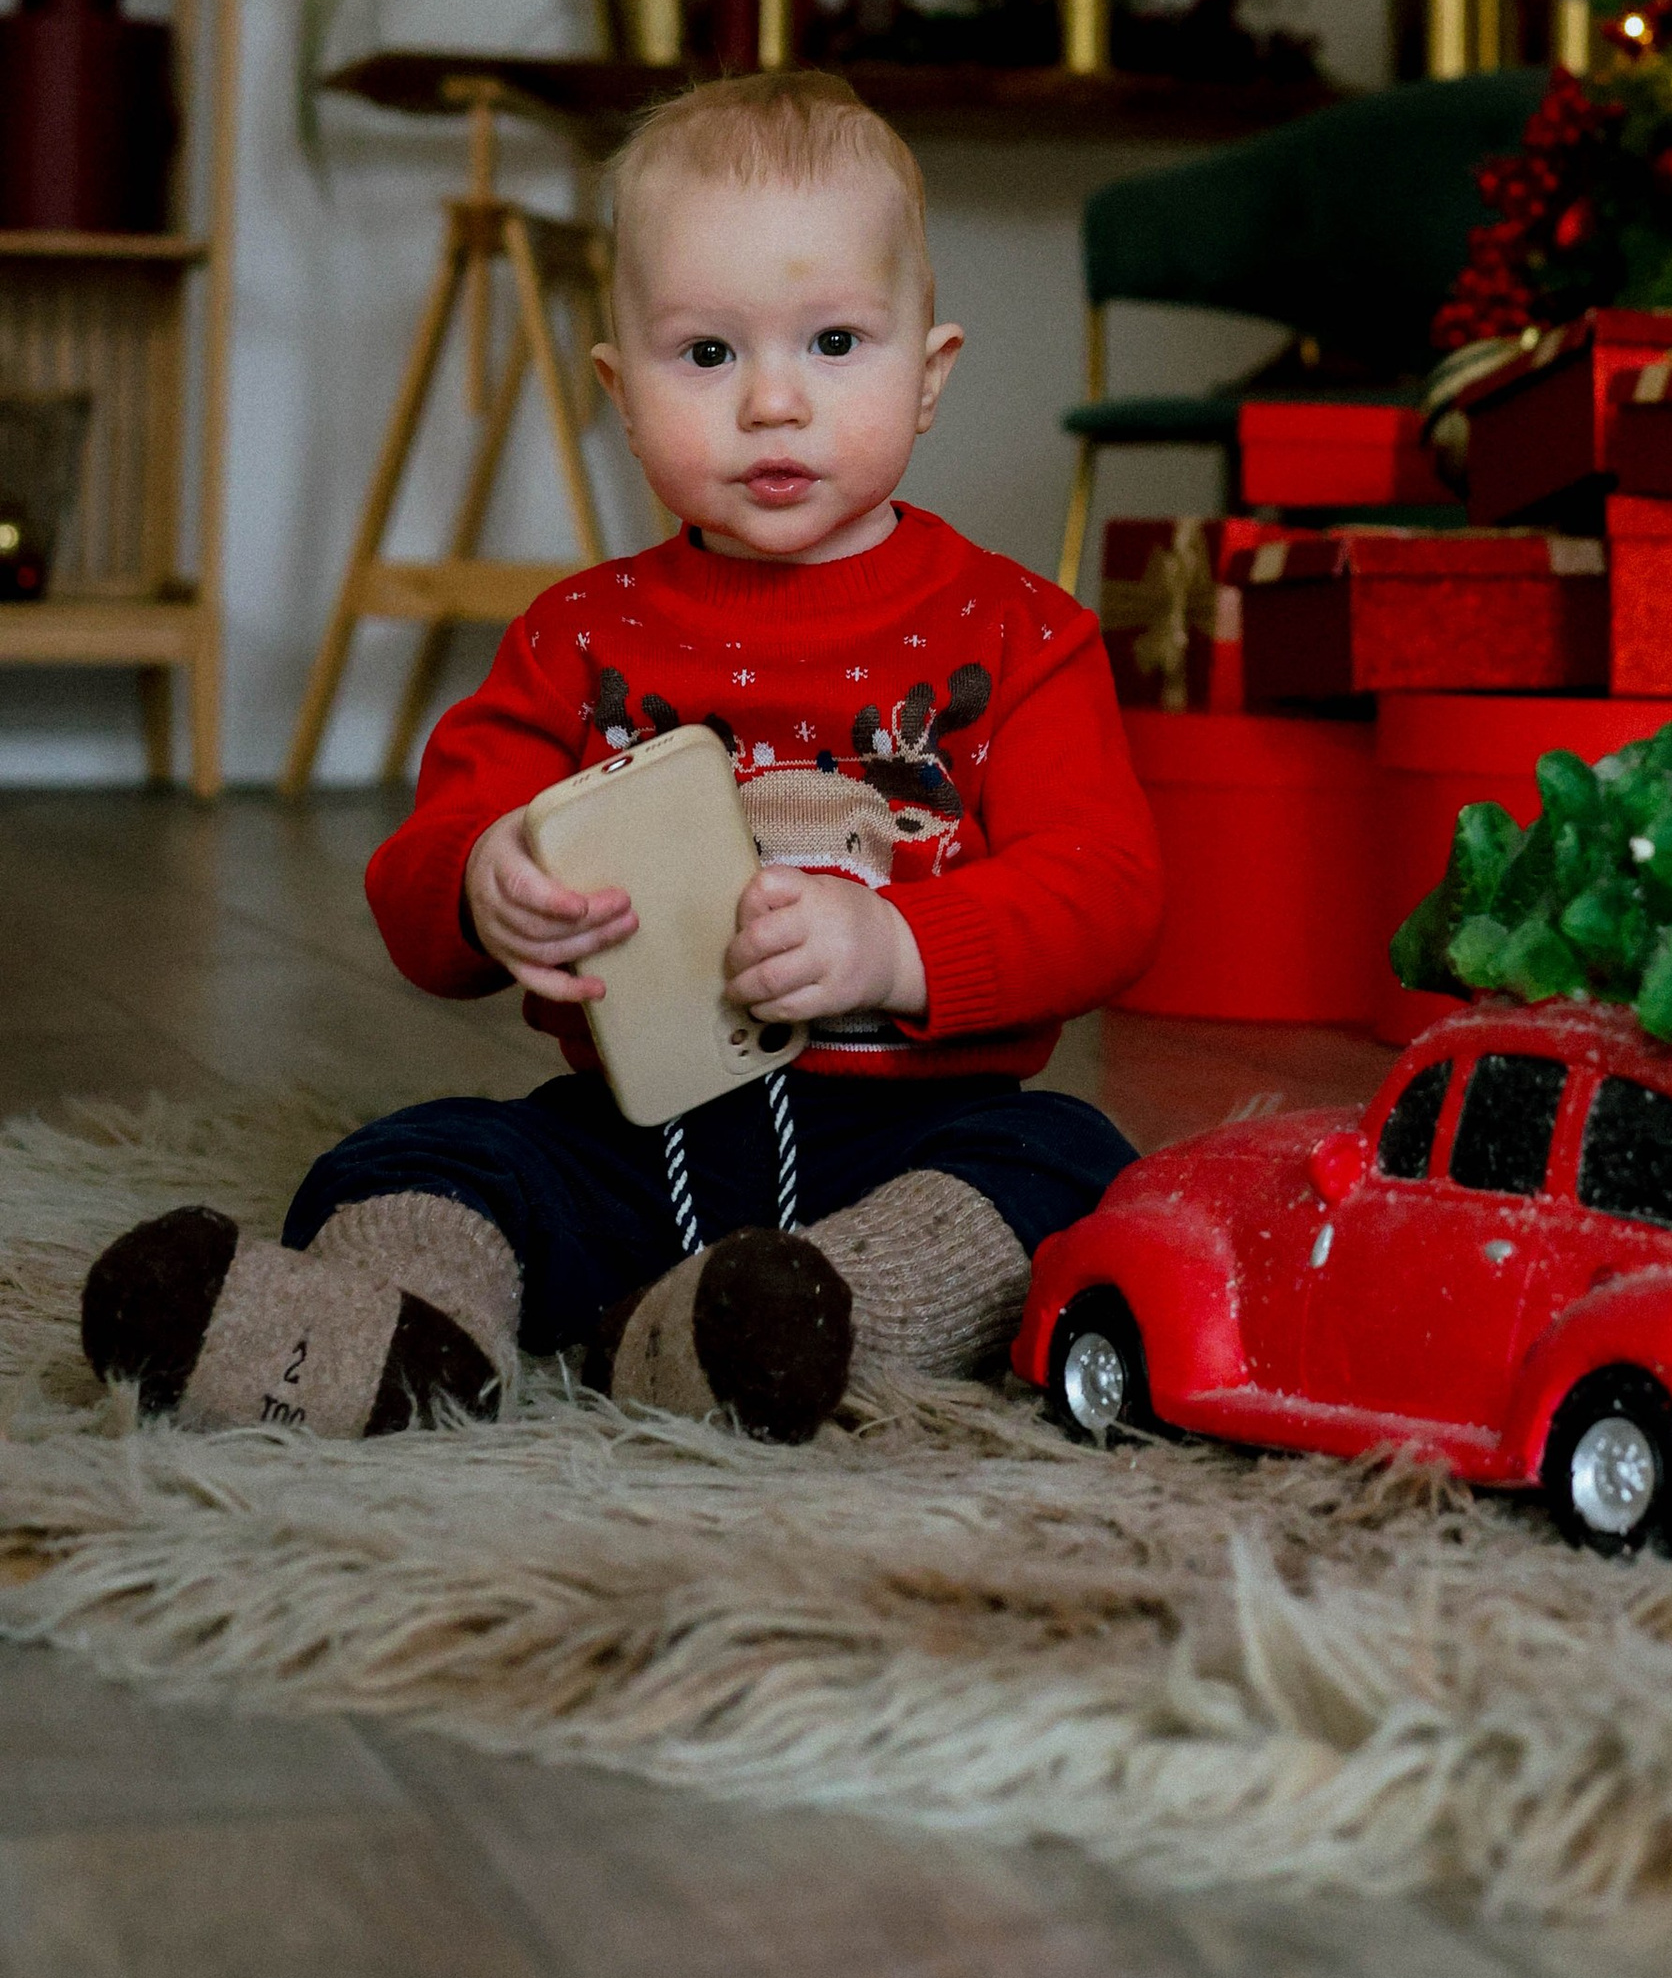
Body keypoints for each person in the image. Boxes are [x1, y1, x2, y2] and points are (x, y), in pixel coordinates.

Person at [80, 69, 1162, 1445]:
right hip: (635, 1139)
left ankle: (795, 1322)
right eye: (707, 355)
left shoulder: (1021, 634)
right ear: (620, 388)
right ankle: (389, 1338)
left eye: (834, 343)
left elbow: (1112, 889)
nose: (772, 401)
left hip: (912, 1136)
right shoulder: (575, 639)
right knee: (420, 1157)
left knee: (1073, 1172)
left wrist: (899, 951)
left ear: (928, 372)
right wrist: (487, 879)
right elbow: (422, 871)